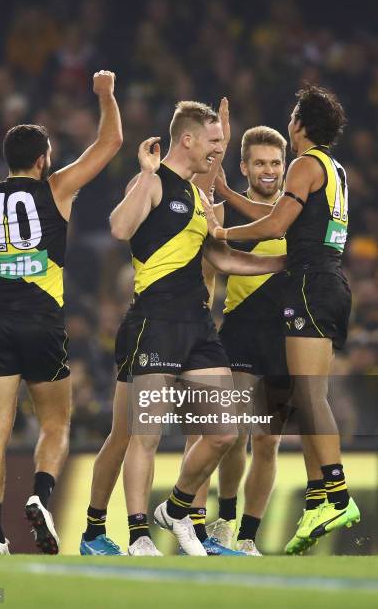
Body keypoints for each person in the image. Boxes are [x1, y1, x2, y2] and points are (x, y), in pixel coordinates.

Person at [79, 100, 285, 556]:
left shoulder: (196, 198)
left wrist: (289, 261)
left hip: (198, 327)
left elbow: (223, 258)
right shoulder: (151, 182)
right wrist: (147, 173)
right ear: (187, 139)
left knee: (224, 432)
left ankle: (174, 508)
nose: (218, 152)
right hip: (154, 322)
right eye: (213, 143)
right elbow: (118, 228)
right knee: (142, 434)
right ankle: (135, 535)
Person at [0, 70, 122, 555]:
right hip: (44, 324)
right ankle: (41, 496)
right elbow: (110, 142)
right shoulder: (58, 188)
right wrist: (105, 95)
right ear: (43, 159)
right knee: (56, 424)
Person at [203, 84, 361, 554]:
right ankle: (320, 496)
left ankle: (334, 492)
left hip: (310, 284)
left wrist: (223, 230)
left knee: (310, 395)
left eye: (293, 115)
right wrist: (229, 193)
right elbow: (279, 213)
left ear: (299, 124)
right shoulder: (333, 168)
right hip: (326, 283)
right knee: (305, 393)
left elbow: (275, 226)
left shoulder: (305, 163)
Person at [189, 126, 291, 557]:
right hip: (240, 328)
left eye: (276, 163)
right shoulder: (225, 212)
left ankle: (248, 535)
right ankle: (224, 522)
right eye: (260, 163)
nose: (269, 171)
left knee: (267, 440)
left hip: (286, 334)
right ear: (244, 167)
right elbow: (211, 270)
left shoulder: (298, 209)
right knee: (230, 434)